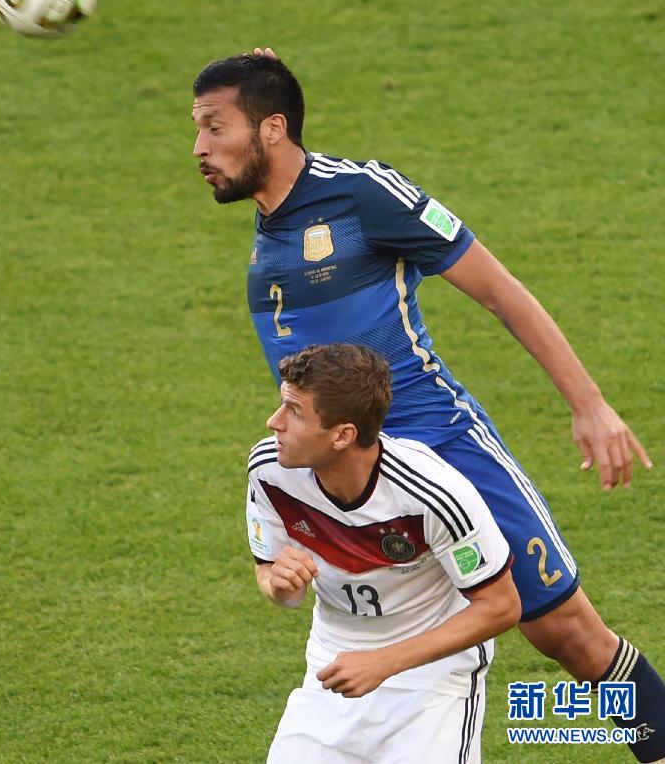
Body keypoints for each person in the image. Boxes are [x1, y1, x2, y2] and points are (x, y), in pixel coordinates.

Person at [192, 51, 665, 762]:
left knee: (568, 636)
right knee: (389, 643)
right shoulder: (272, 223)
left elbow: (500, 290)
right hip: (351, 470)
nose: (199, 149)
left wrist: (589, 405)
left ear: (272, 130)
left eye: (214, 128)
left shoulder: (364, 196)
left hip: (444, 446)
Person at [247, 342, 521, 763]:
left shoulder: (433, 494)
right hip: (331, 666)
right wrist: (278, 583)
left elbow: (501, 606)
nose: (274, 422)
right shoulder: (270, 471)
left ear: (343, 435)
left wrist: (383, 662)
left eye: (294, 412)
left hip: (431, 680)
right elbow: (269, 571)